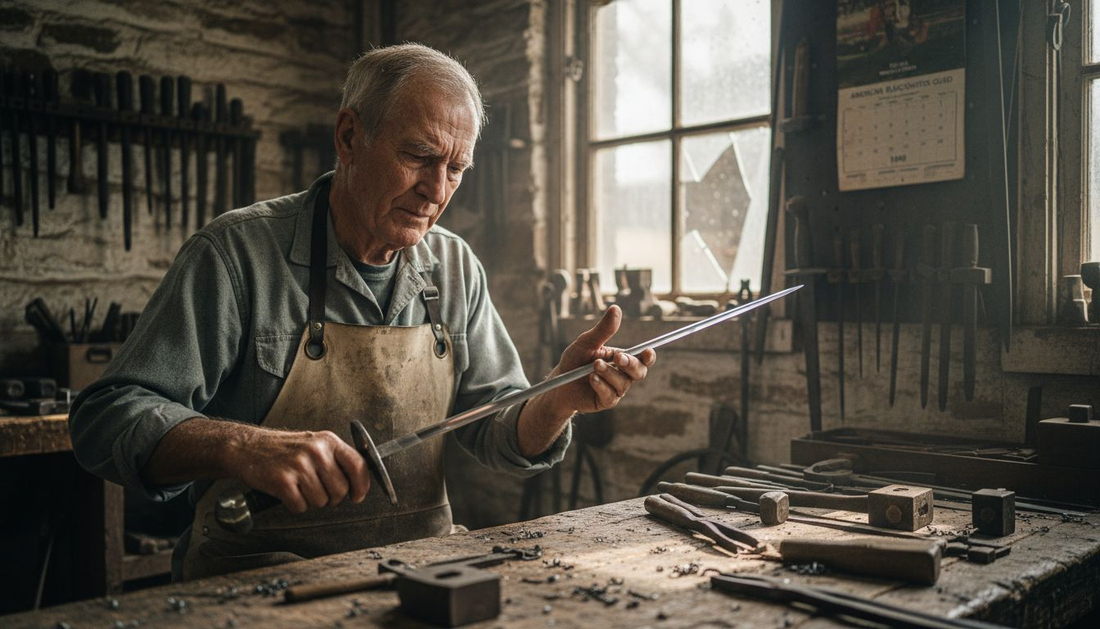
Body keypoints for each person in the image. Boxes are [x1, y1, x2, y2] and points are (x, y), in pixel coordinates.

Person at [68, 43, 656, 581]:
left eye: (456, 169)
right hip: (256, 580)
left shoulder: (455, 268)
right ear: (349, 137)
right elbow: (105, 418)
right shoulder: (235, 255)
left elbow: (498, 433)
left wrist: (561, 395)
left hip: (420, 576)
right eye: (419, 156)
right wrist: (241, 447)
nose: (437, 190)